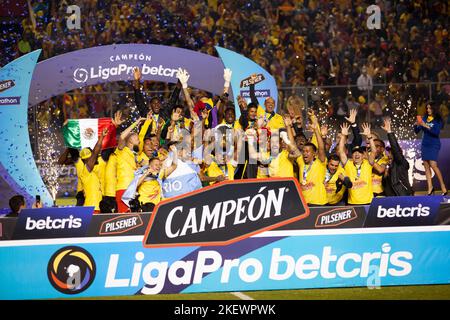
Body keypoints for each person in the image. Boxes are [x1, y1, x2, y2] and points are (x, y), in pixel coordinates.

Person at [338, 122, 377, 205]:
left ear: (363, 155)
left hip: (368, 202)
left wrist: (369, 137)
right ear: (351, 155)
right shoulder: (348, 163)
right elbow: (341, 151)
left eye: (359, 152)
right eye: (354, 153)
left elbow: (374, 151)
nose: (356, 154)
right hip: (352, 203)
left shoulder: (368, 163)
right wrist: (343, 136)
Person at [414, 102, 448, 195]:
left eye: (430, 108)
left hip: (434, 144)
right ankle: (430, 188)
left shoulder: (438, 120)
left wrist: (426, 126)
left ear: (434, 109)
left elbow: (436, 132)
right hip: (425, 144)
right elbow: (417, 131)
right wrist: (416, 124)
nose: (428, 110)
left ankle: (443, 186)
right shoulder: (424, 118)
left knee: (433, 165)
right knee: (426, 165)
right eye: (427, 108)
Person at [296, 111, 327, 206]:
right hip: (304, 203)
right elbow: (293, 146)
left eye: (308, 151)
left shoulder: (320, 162)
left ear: (314, 154)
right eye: (304, 151)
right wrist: (289, 126)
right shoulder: (301, 161)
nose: (305, 153)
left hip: (318, 203)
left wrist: (316, 131)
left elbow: (321, 147)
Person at [78, 128, 108, 213]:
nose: (92, 160)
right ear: (84, 161)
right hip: (92, 208)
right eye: (89, 159)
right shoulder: (85, 173)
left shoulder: (93, 172)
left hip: (97, 208)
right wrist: (101, 137)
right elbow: (95, 153)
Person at [380, 118, 414, 196]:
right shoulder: (387, 166)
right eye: (388, 152)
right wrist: (385, 176)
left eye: (391, 153)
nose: (389, 155)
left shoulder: (401, 163)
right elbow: (386, 185)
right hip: (391, 199)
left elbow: (396, 149)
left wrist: (389, 132)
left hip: (403, 195)